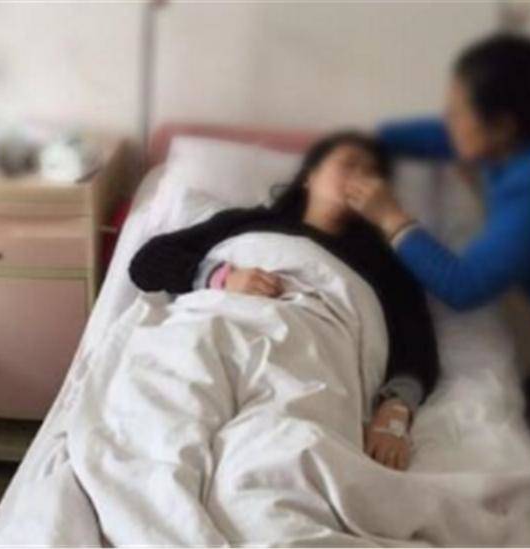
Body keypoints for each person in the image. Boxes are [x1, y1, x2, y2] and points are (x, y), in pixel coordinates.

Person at [130, 131, 440, 471]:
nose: (361, 179)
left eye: (372, 174)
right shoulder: (247, 222)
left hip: (312, 354)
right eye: (349, 165)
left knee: (285, 458)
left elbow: (417, 345)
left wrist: (394, 412)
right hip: (216, 326)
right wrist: (223, 277)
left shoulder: (386, 263)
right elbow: (147, 263)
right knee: (166, 423)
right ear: (310, 177)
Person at [343, 33, 530, 434]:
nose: (448, 121)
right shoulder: (507, 144)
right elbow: (439, 137)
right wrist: (361, 145)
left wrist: (390, 217)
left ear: (502, 126)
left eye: (457, 113)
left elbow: (463, 285)